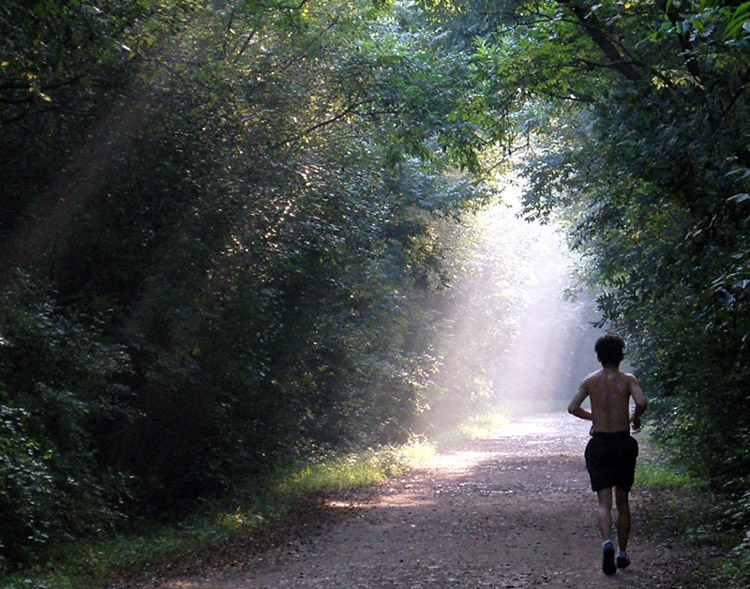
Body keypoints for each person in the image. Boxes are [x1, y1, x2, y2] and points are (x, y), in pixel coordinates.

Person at [568, 333, 648, 575]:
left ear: (599, 357)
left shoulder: (590, 381)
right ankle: (622, 553)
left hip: (600, 443)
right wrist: (635, 417)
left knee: (604, 502)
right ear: (621, 356)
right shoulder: (628, 379)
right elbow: (642, 402)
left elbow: (572, 408)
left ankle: (606, 543)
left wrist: (595, 417)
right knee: (622, 502)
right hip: (623, 442)